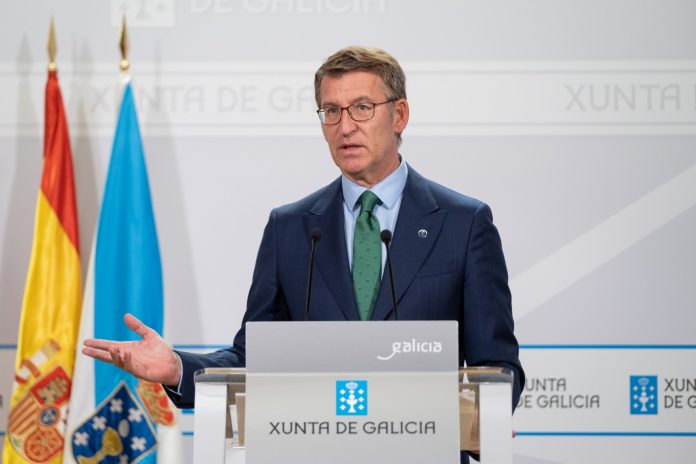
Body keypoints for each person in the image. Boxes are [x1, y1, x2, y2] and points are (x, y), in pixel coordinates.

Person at [83, 47, 525, 459]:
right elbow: (253, 357)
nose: (345, 127)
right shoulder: (291, 228)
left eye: (362, 108)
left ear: (400, 115)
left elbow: (498, 366)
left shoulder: (463, 223)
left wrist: (482, 419)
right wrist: (178, 367)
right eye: (331, 111)